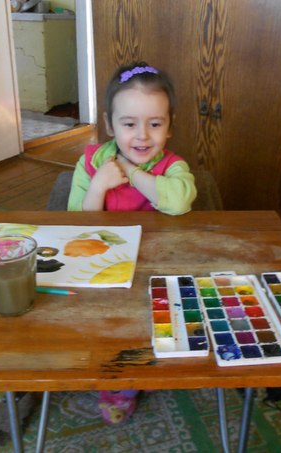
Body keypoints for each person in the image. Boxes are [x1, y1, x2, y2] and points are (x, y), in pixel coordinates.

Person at [67, 61, 197, 424]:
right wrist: (98, 186)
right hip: (105, 266)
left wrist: (132, 171)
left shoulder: (173, 166)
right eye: (129, 124)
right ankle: (118, 389)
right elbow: (77, 225)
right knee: (111, 328)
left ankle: (151, 366)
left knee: (159, 322)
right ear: (109, 124)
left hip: (157, 264)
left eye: (155, 124)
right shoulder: (91, 164)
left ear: (170, 125)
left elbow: (178, 202)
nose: (142, 136)